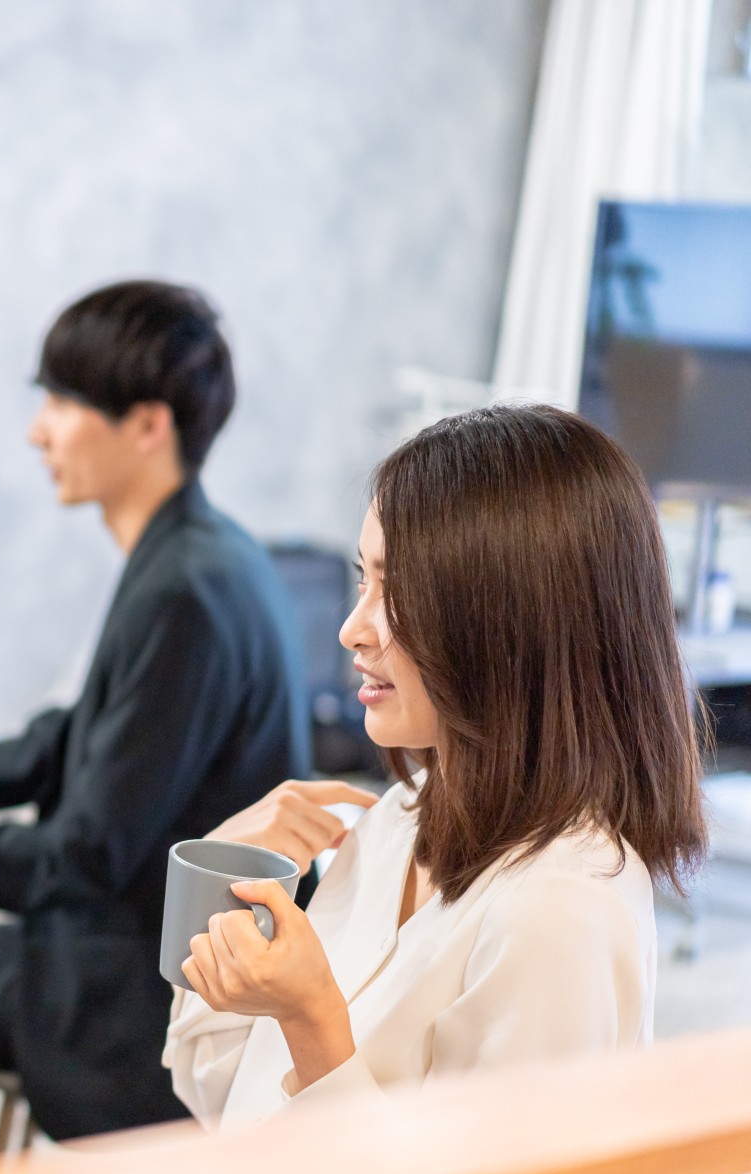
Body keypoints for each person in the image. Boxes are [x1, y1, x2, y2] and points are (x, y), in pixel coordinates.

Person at [0, 281, 310, 1168]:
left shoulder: (185, 594)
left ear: (147, 424)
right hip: (121, 929)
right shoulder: (194, 552)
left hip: (136, 992)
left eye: (62, 402)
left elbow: (83, 856)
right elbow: (62, 742)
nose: (39, 429)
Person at [163, 404, 703, 1127]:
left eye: (399, 591)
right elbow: (224, 1097)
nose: (352, 629)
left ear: (510, 619)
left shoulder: (560, 911)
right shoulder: (401, 816)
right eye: (364, 580)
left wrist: (313, 1020)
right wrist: (225, 878)